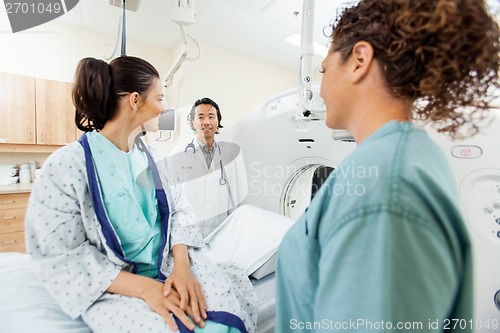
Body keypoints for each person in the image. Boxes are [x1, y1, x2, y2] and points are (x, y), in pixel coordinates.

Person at [275, 0, 500, 332]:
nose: (320, 87)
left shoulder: (382, 186)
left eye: (323, 70)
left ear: (359, 61)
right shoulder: (406, 156)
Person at [25, 56, 257, 333]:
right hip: (115, 283)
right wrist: (146, 288)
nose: (163, 109)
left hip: (172, 262)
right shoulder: (67, 166)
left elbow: (180, 209)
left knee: (225, 315)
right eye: (160, 99)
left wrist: (182, 267)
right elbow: (61, 255)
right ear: (135, 101)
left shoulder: (154, 157)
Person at [168, 98, 248, 239]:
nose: (206, 122)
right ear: (193, 122)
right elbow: (170, 199)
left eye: (211, 117)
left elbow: (237, 196)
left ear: (218, 121)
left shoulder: (230, 155)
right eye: (200, 117)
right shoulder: (177, 154)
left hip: (222, 231)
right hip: (188, 232)